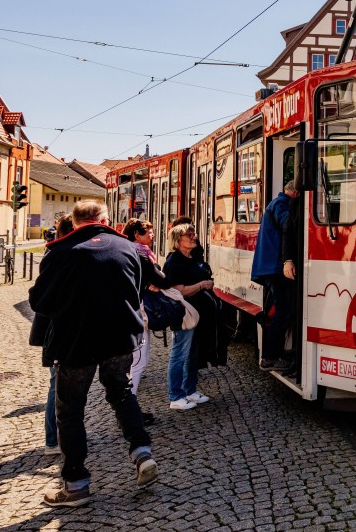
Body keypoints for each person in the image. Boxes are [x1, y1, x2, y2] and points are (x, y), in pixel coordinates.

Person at [29, 200, 166, 507]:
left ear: (75, 222)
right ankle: (142, 452)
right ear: (105, 219)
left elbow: (39, 301)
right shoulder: (128, 248)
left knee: (71, 408)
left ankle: (75, 483)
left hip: (76, 341)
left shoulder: (60, 251)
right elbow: (140, 287)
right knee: (121, 392)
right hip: (120, 338)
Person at [163, 223, 217, 410]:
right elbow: (180, 290)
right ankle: (176, 396)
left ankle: (190, 390)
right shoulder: (174, 261)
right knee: (180, 354)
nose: (194, 237)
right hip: (184, 314)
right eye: (189, 235)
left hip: (196, 314)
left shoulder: (191, 257)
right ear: (178, 240)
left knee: (192, 354)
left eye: (194, 234)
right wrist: (202, 284)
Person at [251, 180, 300, 372]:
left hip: (272, 267)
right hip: (276, 267)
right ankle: (270, 357)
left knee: (281, 310)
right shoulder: (282, 204)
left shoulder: (276, 203)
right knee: (284, 311)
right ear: (295, 192)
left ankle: (272, 354)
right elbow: (288, 223)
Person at [42, 214, 75, 456]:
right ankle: (53, 440)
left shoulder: (58, 253)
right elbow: (40, 298)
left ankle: (59, 438)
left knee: (61, 385)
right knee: (58, 385)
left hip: (62, 329)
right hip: (62, 330)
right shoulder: (60, 255)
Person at [123, 219, 160, 425]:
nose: (153, 235)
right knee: (138, 361)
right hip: (139, 312)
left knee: (140, 359)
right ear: (137, 234)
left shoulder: (133, 251)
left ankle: (130, 408)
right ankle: (130, 411)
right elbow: (160, 279)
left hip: (138, 311)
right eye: (149, 232)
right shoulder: (141, 254)